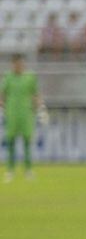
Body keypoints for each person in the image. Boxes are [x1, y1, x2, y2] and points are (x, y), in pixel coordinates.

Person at [2, 54, 44, 182]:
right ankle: (9, 171)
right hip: (12, 114)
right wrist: (4, 109)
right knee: (11, 142)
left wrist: (40, 109)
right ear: (13, 65)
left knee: (27, 142)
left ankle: (28, 170)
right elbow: (2, 95)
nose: (19, 66)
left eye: (20, 64)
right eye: (16, 64)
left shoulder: (30, 77)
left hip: (26, 114)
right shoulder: (8, 77)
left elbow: (36, 94)